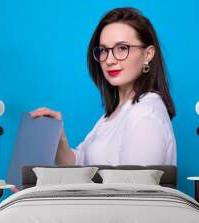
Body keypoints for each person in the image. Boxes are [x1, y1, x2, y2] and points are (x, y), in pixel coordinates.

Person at [30, 7, 177, 167]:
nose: (109, 60)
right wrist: (59, 140)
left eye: (122, 48)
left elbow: (134, 190)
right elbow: (82, 166)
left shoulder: (144, 114)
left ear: (148, 54)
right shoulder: (114, 113)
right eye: (103, 50)